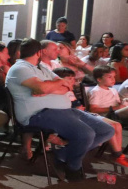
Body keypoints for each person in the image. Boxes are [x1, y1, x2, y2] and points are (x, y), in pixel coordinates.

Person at [6, 39, 114, 181]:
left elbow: (68, 85)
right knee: (86, 134)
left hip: (64, 111)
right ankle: (73, 168)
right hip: (38, 114)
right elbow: (44, 87)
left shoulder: (42, 68)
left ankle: (62, 155)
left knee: (107, 130)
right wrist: (51, 86)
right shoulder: (20, 68)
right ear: (39, 52)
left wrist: (48, 88)